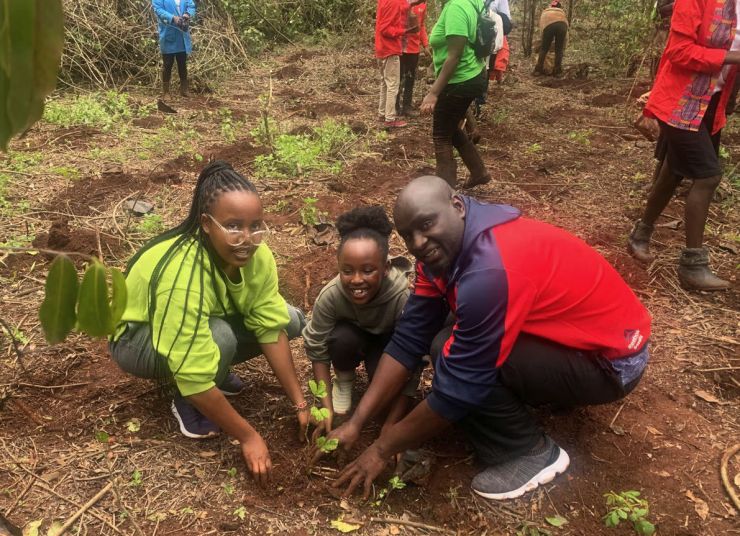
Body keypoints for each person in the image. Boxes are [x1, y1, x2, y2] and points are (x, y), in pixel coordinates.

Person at [317, 176, 652, 501]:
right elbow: (409, 338)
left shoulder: (489, 270)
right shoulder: (442, 253)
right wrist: (357, 422)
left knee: (455, 359)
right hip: (577, 339)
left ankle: (531, 452)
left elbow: (462, 384)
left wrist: (381, 449)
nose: (418, 242)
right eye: (408, 235)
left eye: (427, 223)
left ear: (458, 206)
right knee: (443, 339)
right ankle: (534, 396)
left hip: (613, 362)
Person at [110, 161, 309, 483]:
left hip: (190, 325)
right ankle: (189, 399)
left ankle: (214, 368)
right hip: (136, 340)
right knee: (219, 338)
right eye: (233, 226)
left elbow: (270, 327)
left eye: (255, 225)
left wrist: (300, 403)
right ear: (206, 223)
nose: (247, 238)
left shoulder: (257, 256)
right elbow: (194, 367)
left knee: (289, 320)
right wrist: (249, 437)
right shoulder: (183, 271)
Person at [627, 0, 740, 290]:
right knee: (708, 175)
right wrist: (733, 57)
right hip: (680, 100)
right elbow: (678, 52)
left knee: (672, 172)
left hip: (712, 105)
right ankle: (693, 265)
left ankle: (640, 234)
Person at [302, 206, 419, 434]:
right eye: (347, 271)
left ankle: (376, 381)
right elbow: (317, 348)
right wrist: (326, 410)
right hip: (353, 337)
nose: (356, 280)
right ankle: (344, 380)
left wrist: (392, 426)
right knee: (341, 339)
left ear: (385, 268)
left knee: (385, 390)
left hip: (390, 343)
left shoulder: (402, 297)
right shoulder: (332, 295)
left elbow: (413, 358)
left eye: (367, 270)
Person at [421, 0, 491, 188]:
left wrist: (433, 93)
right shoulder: (470, 2)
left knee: (441, 136)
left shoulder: (456, 8)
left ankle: (444, 194)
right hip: (472, 74)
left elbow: (455, 55)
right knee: (451, 128)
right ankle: (479, 172)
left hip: (459, 80)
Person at [376, 0, 410, 128]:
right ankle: (389, 119)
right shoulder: (394, 2)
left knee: (385, 83)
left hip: (381, 47)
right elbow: (385, 29)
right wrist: (403, 31)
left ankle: (382, 114)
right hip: (389, 48)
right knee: (392, 84)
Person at [152, 0, 195, 96]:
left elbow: (191, 5)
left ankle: (184, 90)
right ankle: (166, 92)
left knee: (182, 63)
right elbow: (158, 10)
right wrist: (172, 18)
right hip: (168, 33)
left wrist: (187, 14)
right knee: (167, 64)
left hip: (182, 35)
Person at [397, 0, 430, 117]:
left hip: (413, 49)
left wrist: (425, 45)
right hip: (399, 47)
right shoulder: (401, 2)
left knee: (410, 78)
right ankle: (395, 106)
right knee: (397, 78)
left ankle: (407, 106)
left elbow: (421, 25)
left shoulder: (423, 4)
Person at [533, 1, 568, 77]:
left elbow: (542, 27)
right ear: (559, 7)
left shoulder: (545, 12)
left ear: (551, 6)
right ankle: (558, 71)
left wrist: (543, 40)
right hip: (562, 25)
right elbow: (566, 29)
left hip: (549, 25)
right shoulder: (562, 12)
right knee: (559, 49)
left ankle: (538, 70)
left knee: (544, 48)